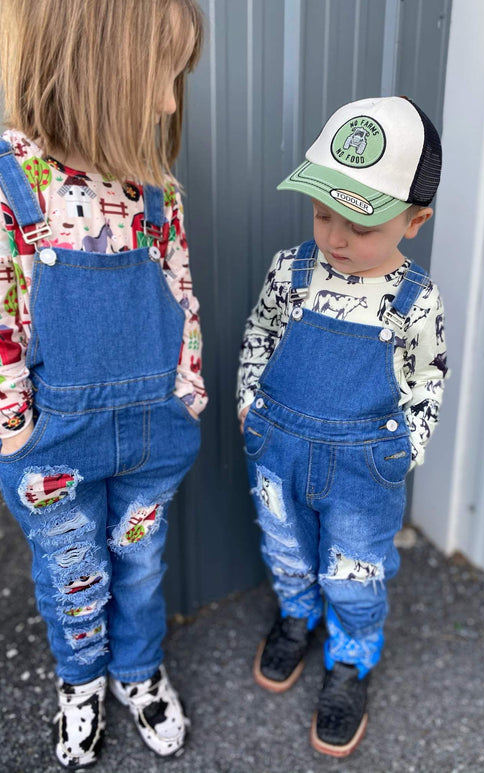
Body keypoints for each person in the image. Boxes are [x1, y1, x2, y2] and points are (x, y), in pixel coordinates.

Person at [0, 0, 205, 766]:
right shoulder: (14, 182)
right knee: (72, 573)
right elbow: (3, 316)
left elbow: (181, 297)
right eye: (163, 76)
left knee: (141, 567)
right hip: (53, 439)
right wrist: (14, 424)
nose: (169, 102)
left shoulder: (158, 193)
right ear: (98, 65)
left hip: (153, 428)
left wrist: (190, 389)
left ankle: (136, 670)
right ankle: (79, 679)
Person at [237, 96, 448, 757]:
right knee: (287, 549)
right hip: (280, 451)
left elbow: (425, 381)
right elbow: (261, 332)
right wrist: (248, 403)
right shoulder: (292, 270)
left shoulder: (417, 298)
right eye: (323, 212)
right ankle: (296, 617)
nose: (334, 237)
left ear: (415, 221)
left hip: (364, 469)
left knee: (354, 573)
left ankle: (352, 656)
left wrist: (406, 448)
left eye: (360, 224)